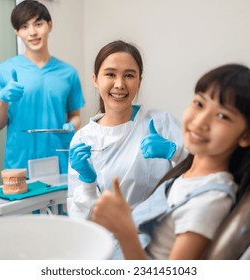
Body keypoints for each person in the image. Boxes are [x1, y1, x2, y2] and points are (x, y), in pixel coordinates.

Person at [91, 63, 250, 260]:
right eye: (199, 104)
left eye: (222, 116)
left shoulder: (209, 201)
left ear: (247, 136)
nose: (199, 122)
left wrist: (124, 230)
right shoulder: (189, 176)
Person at [67, 40, 186, 219]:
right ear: (95, 80)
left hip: (155, 230)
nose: (120, 84)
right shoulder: (83, 139)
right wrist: (87, 183)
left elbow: (203, 172)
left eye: (129, 75)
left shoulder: (161, 123)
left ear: (139, 81)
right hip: (108, 235)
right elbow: (80, 218)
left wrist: (176, 153)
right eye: (110, 74)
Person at [0, 0, 85, 174]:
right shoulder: (3, 71)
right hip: (19, 165)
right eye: (24, 27)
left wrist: (72, 127)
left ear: (49, 25)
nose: (32, 32)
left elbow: (75, 116)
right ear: (17, 32)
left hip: (59, 162)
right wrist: (3, 99)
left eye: (38, 24)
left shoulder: (68, 73)